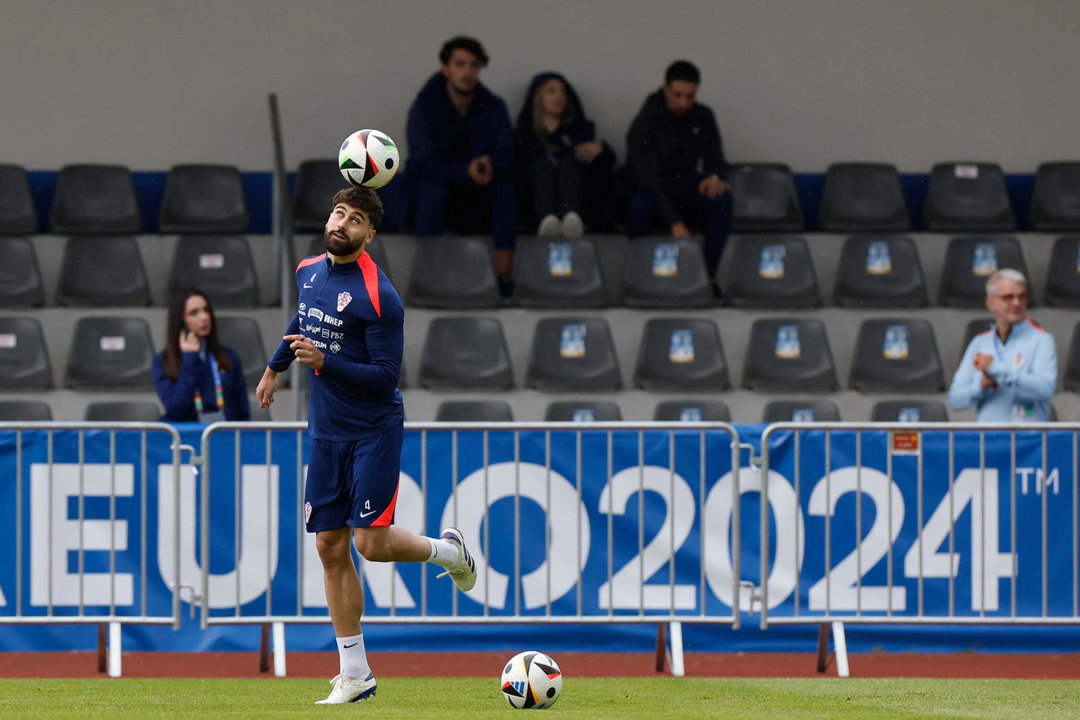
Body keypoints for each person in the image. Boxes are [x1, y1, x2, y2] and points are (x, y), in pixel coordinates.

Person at [256, 187, 476, 704]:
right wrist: (274, 368)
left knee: (369, 545)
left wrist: (323, 363)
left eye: (355, 220)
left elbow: (384, 378)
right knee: (328, 546)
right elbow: (303, 320)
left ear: (368, 234)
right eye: (338, 213)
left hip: (373, 430)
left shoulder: (381, 295)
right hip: (326, 432)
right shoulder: (309, 269)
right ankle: (355, 674)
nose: (343, 223)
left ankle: (448, 551)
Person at [406, 36, 517, 291]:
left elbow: (506, 154)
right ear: (446, 69)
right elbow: (421, 162)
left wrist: (491, 166)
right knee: (432, 189)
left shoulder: (493, 106)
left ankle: (503, 279)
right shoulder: (424, 107)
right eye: (460, 64)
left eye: (474, 65)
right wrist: (462, 170)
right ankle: (429, 276)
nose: (468, 71)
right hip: (437, 192)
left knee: (505, 191)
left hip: (478, 193)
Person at [626, 60, 732, 288]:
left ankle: (705, 277)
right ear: (665, 89)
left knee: (722, 199)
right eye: (677, 95)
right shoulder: (645, 122)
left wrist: (715, 178)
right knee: (637, 202)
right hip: (653, 191)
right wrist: (674, 221)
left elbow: (717, 159)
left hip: (686, 187)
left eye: (690, 96)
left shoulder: (703, 116)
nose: (684, 102)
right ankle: (643, 276)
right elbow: (647, 177)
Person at [948, 269, 1058, 422]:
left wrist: (997, 369)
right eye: (1008, 297)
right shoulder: (979, 343)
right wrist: (979, 387)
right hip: (988, 442)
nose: (1017, 303)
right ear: (990, 302)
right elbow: (955, 400)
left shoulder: (1041, 340)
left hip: (1028, 442)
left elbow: (1045, 389)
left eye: (1022, 296)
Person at [515, 71, 616, 236]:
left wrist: (601, 149)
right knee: (543, 165)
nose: (559, 96)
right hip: (532, 202)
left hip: (580, 197)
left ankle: (571, 218)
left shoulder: (579, 131)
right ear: (537, 96)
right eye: (551, 91)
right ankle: (547, 221)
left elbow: (609, 161)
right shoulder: (524, 135)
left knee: (568, 162)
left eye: (563, 92)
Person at [153, 288, 250, 422]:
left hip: (225, 436)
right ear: (180, 320)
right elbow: (176, 410)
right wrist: (190, 359)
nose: (204, 317)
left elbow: (242, 412)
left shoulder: (229, 357)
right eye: (194, 313)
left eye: (206, 310)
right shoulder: (163, 362)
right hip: (186, 438)